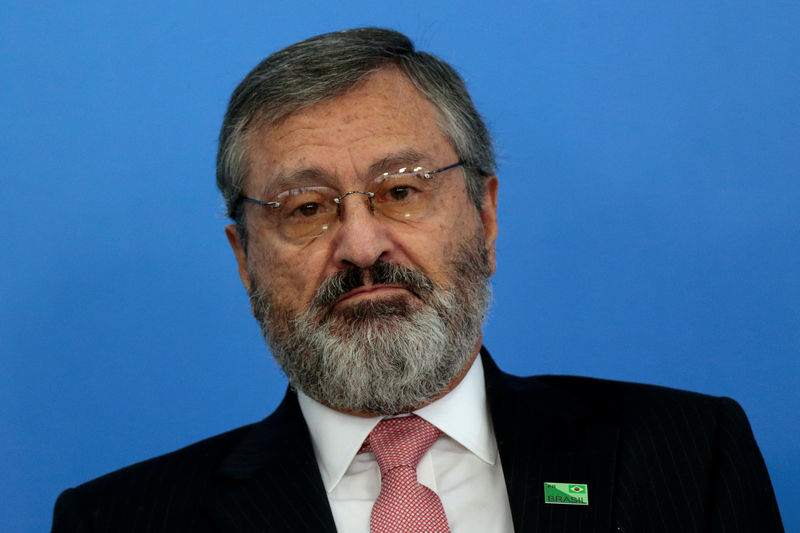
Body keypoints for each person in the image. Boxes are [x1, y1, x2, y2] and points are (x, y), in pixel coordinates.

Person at [51, 27, 783, 533]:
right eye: (306, 208)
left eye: (400, 190)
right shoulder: (118, 519)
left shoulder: (689, 458)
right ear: (244, 261)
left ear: (485, 218)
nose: (362, 244)